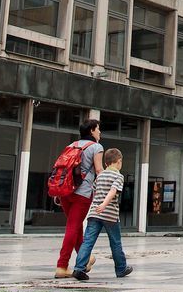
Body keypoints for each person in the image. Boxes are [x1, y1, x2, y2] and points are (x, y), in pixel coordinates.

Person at [73, 148, 133, 281]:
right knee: (115, 242)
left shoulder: (99, 176)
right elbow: (112, 191)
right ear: (119, 162)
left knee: (88, 241)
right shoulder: (118, 176)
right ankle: (121, 268)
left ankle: (79, 268)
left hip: (94, 213)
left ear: (106, 163)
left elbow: (94, 191)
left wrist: (97, 205)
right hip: (110, 214)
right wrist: (104, 204)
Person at [55, 118, 104, 278]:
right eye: (98, 129)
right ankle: (62, 266)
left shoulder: (71, 146)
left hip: (65, 193)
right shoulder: (96, 147)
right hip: (82, 194)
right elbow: (99, 170)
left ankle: (86, 257)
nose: (99, 132)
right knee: (72, 228)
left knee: (75, 227)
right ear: (91, 131)